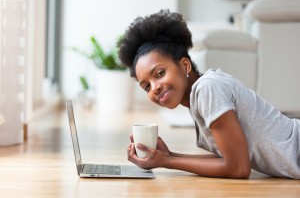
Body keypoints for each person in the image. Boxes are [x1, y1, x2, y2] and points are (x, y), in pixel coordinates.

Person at [117, 9, 300, 179]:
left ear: (185, 65)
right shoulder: (198, 96)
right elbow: (229, 158)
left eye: (160, 73)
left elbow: (238, 167)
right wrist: (168, 156)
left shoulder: (207, 89)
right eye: (146, 86)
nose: (154, 87)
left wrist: (168, 162)